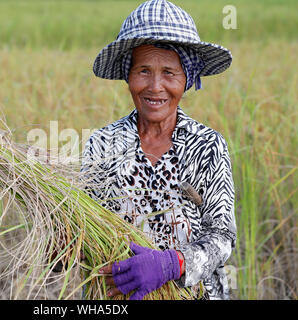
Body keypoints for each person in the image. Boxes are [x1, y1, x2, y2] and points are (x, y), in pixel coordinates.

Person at [81, 0, 237, 300]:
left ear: (187, 79)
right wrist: (64, 244)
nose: (155, 87)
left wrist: (170, 264)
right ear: (128, 76)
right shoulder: (102, 144)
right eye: (143, 71)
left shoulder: (207, 146)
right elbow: (86, 230)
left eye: (169, 72)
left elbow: (223, 238)